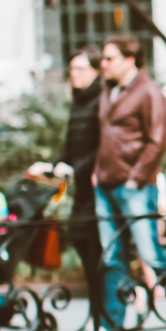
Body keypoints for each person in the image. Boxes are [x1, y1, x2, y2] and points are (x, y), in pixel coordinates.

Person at [92, 35, 166, 331]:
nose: (104, 64)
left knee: (150, 254)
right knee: (112, 256)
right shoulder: (107, 90)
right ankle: (111, 328)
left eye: (110, 58)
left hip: (133, 185)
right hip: (105, 185)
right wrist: (98, 172)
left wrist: (136, 178)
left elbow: (157, 141)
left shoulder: (149, 91)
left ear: (130, 59)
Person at [42, 49, 106, 310]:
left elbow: (102, 146)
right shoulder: (79, 101)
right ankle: (104, 308)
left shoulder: (102, 99)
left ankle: (105, 310)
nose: (73, 75)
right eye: (71, 69)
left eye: (79, 69)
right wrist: (53, 165)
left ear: (96, 71)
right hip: (81, 186)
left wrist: (74, 168)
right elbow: (71, 145)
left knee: (95, 247)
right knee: (80, 239)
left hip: (96, 186)